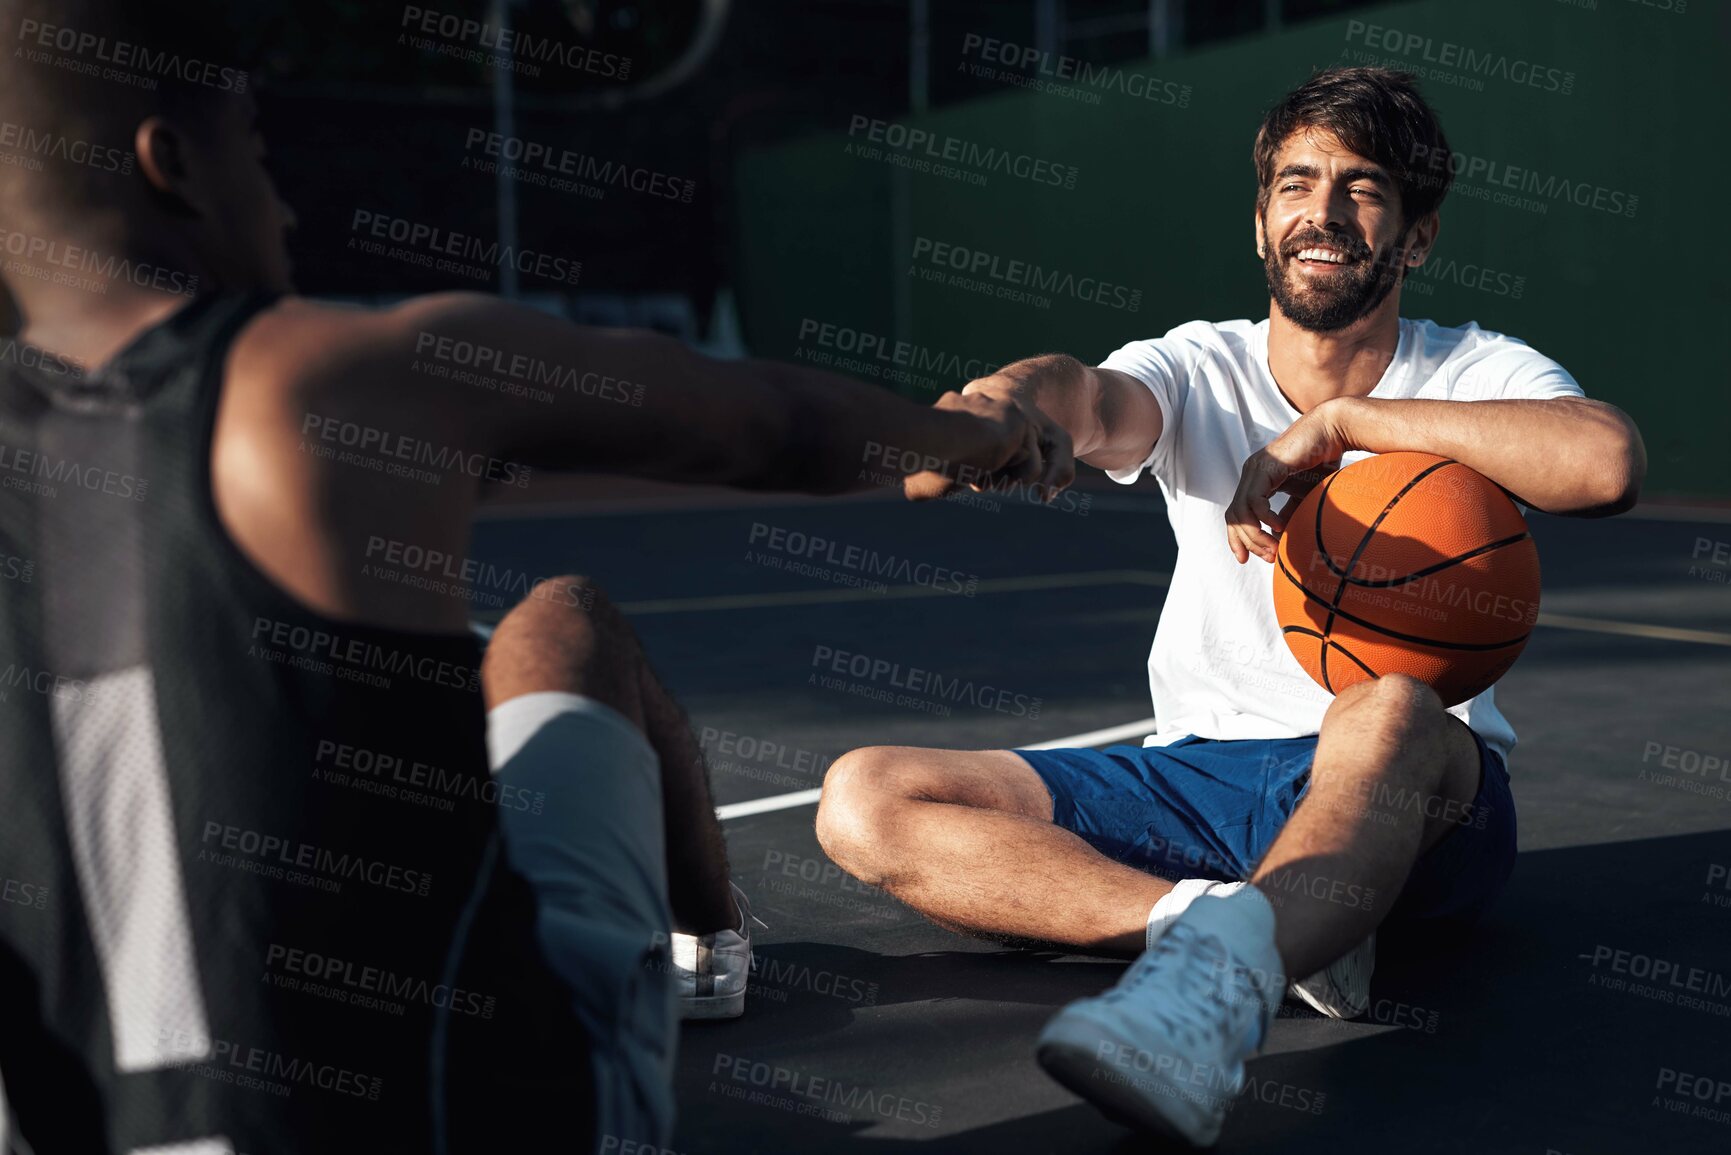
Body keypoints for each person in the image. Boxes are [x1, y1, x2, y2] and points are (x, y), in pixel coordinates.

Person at [0, 3, 1069, 1152]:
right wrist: (971, 437)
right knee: (563, 625)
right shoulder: (304, 385)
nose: (287, 201)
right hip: (485, 1114)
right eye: (258, 155)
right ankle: (706, 953)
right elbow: (769, 425)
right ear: (174, 167)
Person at [816, 65, 1646, 1146]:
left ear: (1418, 236)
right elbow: (1085, 393)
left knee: (1389, 704)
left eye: (1362, 187)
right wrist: (1003, 407)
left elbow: (1605, 459)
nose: (1324, 210)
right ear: (1262, 221)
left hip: (1415, 787)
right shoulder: (1198, 366)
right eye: (1296, 183)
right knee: (863, 798)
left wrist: (1349, 422)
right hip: (1199, 777)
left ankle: (1211, 1005)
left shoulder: (1473, 369)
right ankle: (1230, 926)